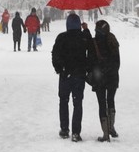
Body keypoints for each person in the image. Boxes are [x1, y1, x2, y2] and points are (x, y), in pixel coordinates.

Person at [52, 13, 91, 141]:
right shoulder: (83, 37)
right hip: (79, 75)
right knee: (77, 102)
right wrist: (86, 30)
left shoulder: (62, 37)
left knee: (63, 101)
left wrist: (59, 69)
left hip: (65, 75)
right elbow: (91, 47)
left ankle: (64, 129)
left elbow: (55, 55)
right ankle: (76, 132)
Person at [88, 19, 121, 142]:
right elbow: (117, 62)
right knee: (111, 100)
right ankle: (111, 127)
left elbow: (90, 61)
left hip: (99, 77)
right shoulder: (112, 40)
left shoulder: (94, 42)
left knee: (102, 103)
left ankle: (105, 133)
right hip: (112, 77)